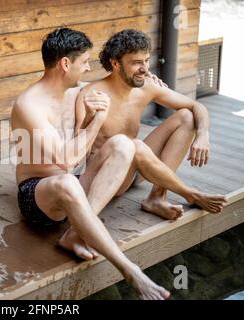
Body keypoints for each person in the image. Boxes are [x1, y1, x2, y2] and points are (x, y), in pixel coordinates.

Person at [11, 27, 170, 300]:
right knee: (66, 180)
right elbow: (64, 160)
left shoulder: (77, 92)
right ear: (65, 63)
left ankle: (75, 234)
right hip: (39, 196)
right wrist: (97, 119)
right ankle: (130, 270)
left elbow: (118, 83)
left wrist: (147, 80)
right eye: (84, 62)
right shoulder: (30, 105)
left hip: (74, 182)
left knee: (122, 144)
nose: (87, 69)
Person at [75, 29, 228, 220]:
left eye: (146, 60)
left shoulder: (146, 86)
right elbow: (77, 155)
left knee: (187, 117)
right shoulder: (92, 96)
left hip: (135, 169)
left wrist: (203, 134)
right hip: (107, 177)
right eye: (137, 62)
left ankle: (157, 197)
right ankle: (190, 193)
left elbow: (196, 106)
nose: (145, 69)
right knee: (134, 145)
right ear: (115, 63)